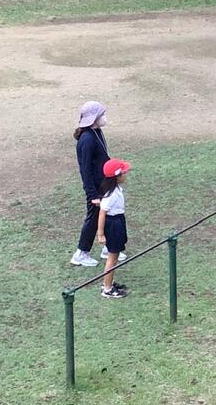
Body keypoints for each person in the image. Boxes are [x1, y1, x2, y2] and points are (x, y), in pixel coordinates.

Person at [70, 101, 127, 267]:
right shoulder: (87, 139)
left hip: (103, 185)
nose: (105, 117)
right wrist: (92, 194)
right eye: (102, 114)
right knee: (93, 218)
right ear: (94, 118)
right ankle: (81, 253)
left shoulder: (97, 132)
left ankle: (107, 248)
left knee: (107, 215)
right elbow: (85, 170)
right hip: (95, 188)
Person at [97, 158, 132, 298]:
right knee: (112, 257)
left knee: (115, 255)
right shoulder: (111, 195)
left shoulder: (115, 190)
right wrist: (100, 234)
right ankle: (107, 288)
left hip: (118, 221)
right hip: (113, 224)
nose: (126, 174)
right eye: (124, 172)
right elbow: (102, 213)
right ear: (117, 176)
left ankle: (109, 282)